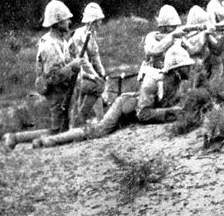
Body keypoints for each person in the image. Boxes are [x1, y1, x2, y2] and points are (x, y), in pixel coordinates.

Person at [33, 46, 198, 147]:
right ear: (176, 69)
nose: (190, 69)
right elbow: (143, 113)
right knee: (97, 131)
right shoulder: (153, 82)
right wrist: (170, 112)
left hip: (131, 112)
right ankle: (50, 141)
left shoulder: (175, 82)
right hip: (123, 107)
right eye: (186, 66)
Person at [3, 0, 85, 150]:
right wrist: (72, 66)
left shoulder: (60, 40)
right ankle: (18, 139)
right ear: (58, 23)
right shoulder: (50, 46)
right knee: (59, 132)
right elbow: (53, 77)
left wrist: (73, 61)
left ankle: (17, 138)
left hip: (63, 90)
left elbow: (63, 65)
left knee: (60, 130)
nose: (69, 21)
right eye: (66, 19)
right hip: (57, 92)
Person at [69, 2, 107, 127]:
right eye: (98, 20)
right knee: (97, 86)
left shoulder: (92, 34)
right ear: (93, 21)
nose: (100, 23)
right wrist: (95, 76)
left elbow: (95, 55)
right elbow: (83, 61)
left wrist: (101, 72)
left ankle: (100, 119)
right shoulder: (79, 36)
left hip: (84, 73)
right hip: (74, 74)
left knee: (99, 85)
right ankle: (80, 118)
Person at [138, 4, 187, 82]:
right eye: (172, 26)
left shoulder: (177, 38)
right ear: (163, 26)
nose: (175, 28)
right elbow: (153, 50)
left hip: (172, 74)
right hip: (153, 73)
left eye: (176, 26)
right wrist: (171, 36)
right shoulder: (151, 36)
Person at [182, 5, 224, 86]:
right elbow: (194, 50)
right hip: (191, 71)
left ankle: (213, 86)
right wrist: (204, 34)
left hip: (203, 69)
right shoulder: (185, 37)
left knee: (216, 61)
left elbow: (217, 50)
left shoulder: (205, 34)